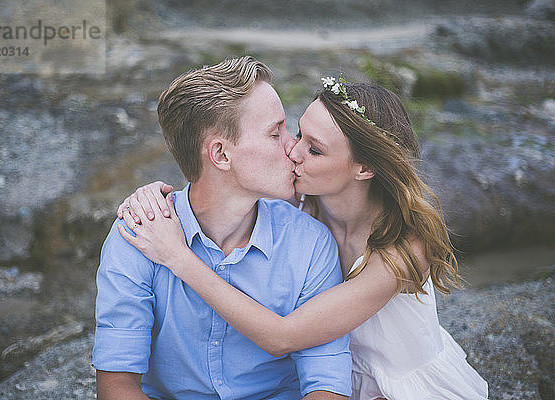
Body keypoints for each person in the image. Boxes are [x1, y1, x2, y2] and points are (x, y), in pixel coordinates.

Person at [118, 76, 489, 399]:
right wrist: (152, 198)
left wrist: (180, 258)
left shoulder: (403, 249)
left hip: (403, 386)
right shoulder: (306, 204)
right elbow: (218, 185)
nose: (292, 151)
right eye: (297, 132)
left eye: (314, 149)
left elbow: (283, 337)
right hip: (339, 376)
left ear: (364, 168)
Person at [92, 56, 353, 400]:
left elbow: (327, 384)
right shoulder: (139, 233)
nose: (292, 147)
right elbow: (117, 387)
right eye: (276, 133)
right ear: (221, 155)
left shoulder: (310, 243)